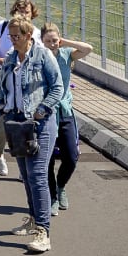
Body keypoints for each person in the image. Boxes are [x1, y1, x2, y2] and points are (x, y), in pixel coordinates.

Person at [0, 16, 63, 254]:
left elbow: (57, 86)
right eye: (10, 36)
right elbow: (3, 88)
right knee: (26, 175)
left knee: (37, 175)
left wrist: (42, 110)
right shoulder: (11, 59)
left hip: (40, 124)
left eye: (16, 36)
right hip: (16, 123)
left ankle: (44, 231)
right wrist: (1, 108)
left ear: (28, 36)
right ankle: (34, 218)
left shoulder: (43, 55)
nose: (12, 41)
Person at [39, 23, 93, 214]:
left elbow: (88, 49)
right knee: (47, 159)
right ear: (41, 41)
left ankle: (61, 186)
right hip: (44, 113)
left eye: (55, 40)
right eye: (48, 41)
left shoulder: (66, 54)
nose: (52, 44)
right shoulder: (38, 57)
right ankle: (52, 196)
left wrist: (64, 43)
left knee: (71, 156)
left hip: (65, 111)